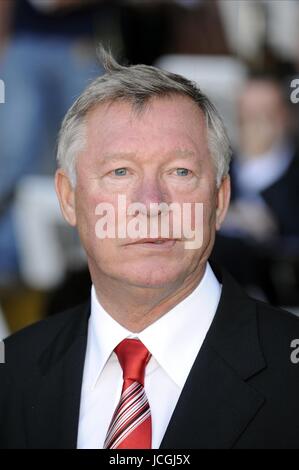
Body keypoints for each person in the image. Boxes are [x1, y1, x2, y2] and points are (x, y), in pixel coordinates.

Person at [0, 48, 299, 450]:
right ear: (69, 199)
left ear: (220, 200)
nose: (150, 202)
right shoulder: (11, 372)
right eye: (120, 172)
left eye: (180, 172)